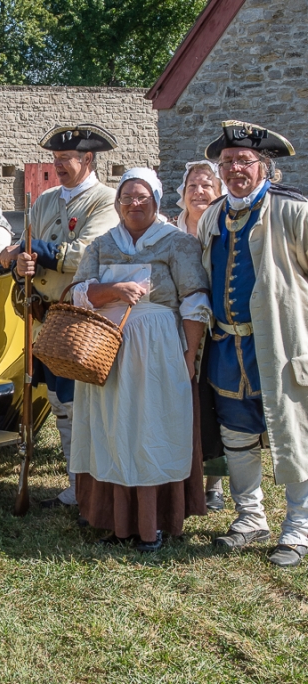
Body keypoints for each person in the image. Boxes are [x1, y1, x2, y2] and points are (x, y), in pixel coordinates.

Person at [65, 168, 210, 551]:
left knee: (152, 428)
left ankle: (153, 522)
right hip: (106, 350)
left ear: (157, 202)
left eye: (142, 197)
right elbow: (77, 293)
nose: (134, 204)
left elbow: (195, 300)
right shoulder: (101, 244)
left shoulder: (177, 244)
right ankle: (116, 521)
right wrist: (112, 289)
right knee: (112, 425)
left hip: (159, 351)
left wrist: (189, 354)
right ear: (117, 202)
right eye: (127, 196)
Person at [196, 120, 308, 567]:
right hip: (227, 346)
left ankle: (298, 526)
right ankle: (249, 517)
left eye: (244, 161)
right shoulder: (212, 214)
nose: (234, 169)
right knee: (236, 432)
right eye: (227, 162)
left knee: (295, 431)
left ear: (265, 166)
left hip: (281, 345)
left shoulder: (292, 211)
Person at [0, 123, 119, 509]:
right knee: (60, 403)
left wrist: (37, 252)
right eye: (55, 159)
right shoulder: (47, 199)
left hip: (80, 317)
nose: (59, 166)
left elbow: (89, 253)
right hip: (45, 316)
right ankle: (75, 483)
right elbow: (24, 251)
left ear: (88, 159)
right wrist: (20, 264)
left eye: (66, 159)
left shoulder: (106, 201)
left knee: (80, 404)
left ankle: (94, 482)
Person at [175, 160, 228, 511]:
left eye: (207, 185)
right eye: (193, 185)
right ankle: (183, 475)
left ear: (219, 191)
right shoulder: (171, 232)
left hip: (218, 331)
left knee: (214, 405)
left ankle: (215, 483)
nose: (199, 191)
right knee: (182, 403)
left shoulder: (225, 231)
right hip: (178, 330)